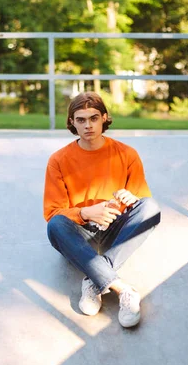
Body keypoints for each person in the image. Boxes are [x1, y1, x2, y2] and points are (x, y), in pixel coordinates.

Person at [43, 91, 161, 328]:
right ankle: (122, 289)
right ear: (72, 123)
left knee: (151, 208)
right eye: (81, 120)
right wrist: (85, 213)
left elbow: (142, 200)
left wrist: (131, 198)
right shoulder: (58, 160)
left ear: (104, 118)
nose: (88, 125)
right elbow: (52, 212)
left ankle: (94, 280)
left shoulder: (127, 154)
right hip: (80, 231)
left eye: (94, 118)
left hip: (115, 227)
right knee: (55, 226)